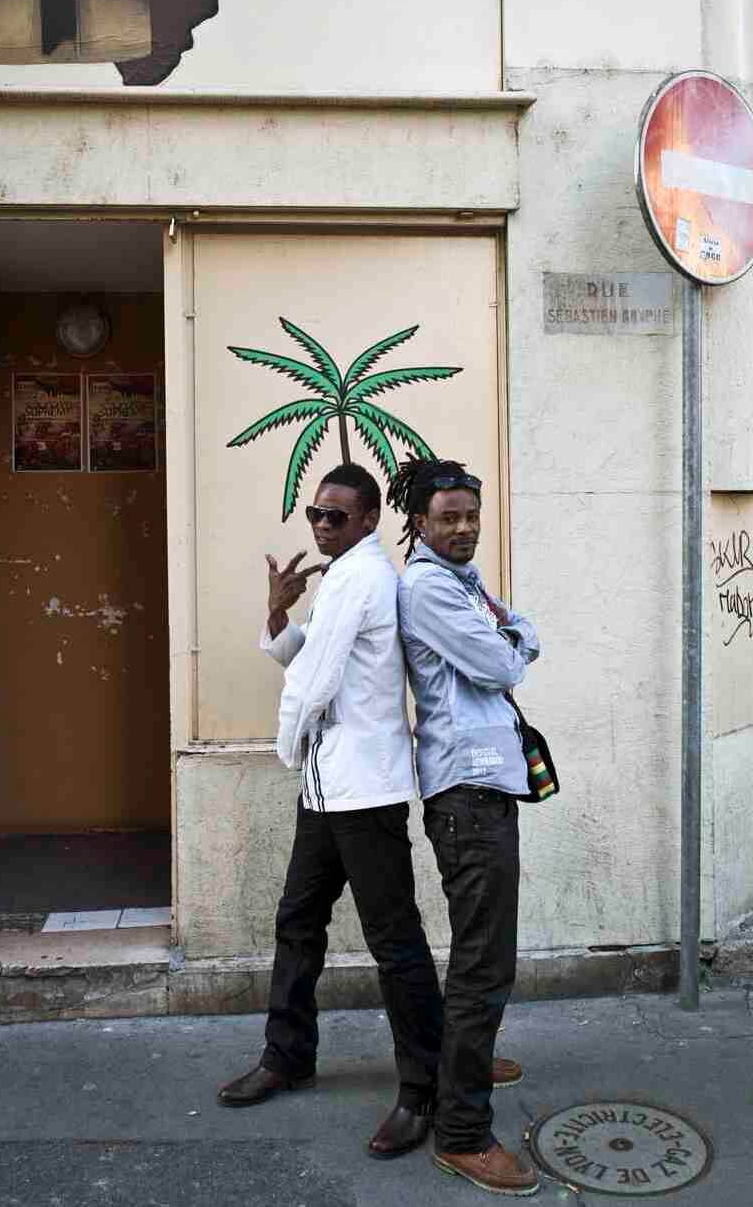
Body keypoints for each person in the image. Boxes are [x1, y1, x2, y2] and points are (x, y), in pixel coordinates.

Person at [216, 462, 446, 1157]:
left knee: (395, 944)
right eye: (316, 514)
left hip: (363, 796)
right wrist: (277, 613)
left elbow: (312, 685)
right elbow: (310, 656)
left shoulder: (363, 578)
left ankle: (423, 1092)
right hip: (327, 792)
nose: (321, 525)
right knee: (298, 921)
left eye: (336, 516)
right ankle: (288, 1055)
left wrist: (288, 745)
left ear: (370, 518)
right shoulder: (344, 577)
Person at [389, 457, 541, 1197]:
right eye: (448, 517)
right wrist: (518, 642)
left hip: (484, 788)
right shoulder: (426, 587)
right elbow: (503, 661)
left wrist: (517, 638)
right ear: (418, 521)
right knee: (485, 964)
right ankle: (462, 1133)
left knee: (483, 954)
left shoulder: (464, 580)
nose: (464, 529)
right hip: (467, 794)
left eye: (471, 516)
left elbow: (515, 634)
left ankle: (465, 1063)